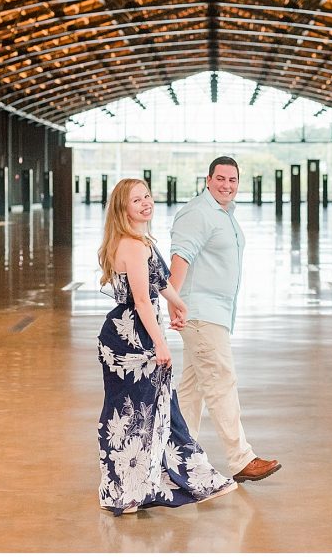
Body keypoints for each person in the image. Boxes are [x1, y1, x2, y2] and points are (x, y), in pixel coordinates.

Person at [96, 178, 237, 516]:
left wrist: (177, 303)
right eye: (136, 200)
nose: (146, 203)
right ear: (123, 209)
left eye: (147, 196)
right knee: (137, 413)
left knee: (145, 410)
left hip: (126, 333)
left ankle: (129, 487)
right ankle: (133, 489)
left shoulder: (139, 240)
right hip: (133, 339)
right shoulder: (134, 245)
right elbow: (143, 301)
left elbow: (159, 281)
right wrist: (161, 344)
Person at [169, 157, 281, 483]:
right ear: (208, 179)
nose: (226, 185)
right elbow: (181, 257)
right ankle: (241, 458)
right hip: (200, 314)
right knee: (221, 381)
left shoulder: (225, 214)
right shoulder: (198, 213)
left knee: (192, 390)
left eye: (232, 180)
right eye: (220, 179)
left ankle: (178, 458)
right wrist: (174, 303)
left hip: (213, 313)